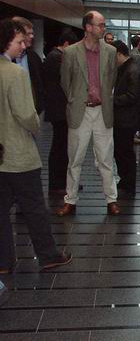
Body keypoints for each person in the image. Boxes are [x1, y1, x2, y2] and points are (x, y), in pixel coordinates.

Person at [0, 19, 72, 272]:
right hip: (18, 152)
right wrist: (35, 125)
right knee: (34, 207)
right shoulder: (14, 73)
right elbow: (25, 114)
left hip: (1, 154)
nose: (24, 46)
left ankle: (3, 261)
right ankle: (48, 255)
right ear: (6, 41)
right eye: (19, 41)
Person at [57, 11, 121, 216]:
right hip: (80, 112)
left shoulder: (110, 51)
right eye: (100, 25)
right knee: (75, 159)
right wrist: (76, 99)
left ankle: (111, 200)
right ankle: (71, 200)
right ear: (88, 27)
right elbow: (65, 82)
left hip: (103, 111)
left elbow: (112, 79)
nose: (104, 28)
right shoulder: (70, 52)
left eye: (103, 25)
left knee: (106, 159)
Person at [43, 30, 79, 195]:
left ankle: (62, 182)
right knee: (60, 146)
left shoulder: (53, 56)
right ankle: (58, 183)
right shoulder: (57, 58)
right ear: (66, 44)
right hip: (60, 109)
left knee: (62, 145)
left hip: (58, 108)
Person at [112, 40, 140, 200]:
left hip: (127, 119)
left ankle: (128, 184)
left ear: (119, 54)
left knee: (125, 153)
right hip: (124, 118)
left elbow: (132, 96)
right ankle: (125, 182)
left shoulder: (131, 70)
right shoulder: (128, 68)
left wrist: (113, 99)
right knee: (122, 152)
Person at [12, 17, 45, 115]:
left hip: (33, 112)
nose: (32, 36)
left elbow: (40, 82)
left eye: (32, 33)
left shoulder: (34, 57)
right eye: (28, 34)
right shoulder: (5, 60)